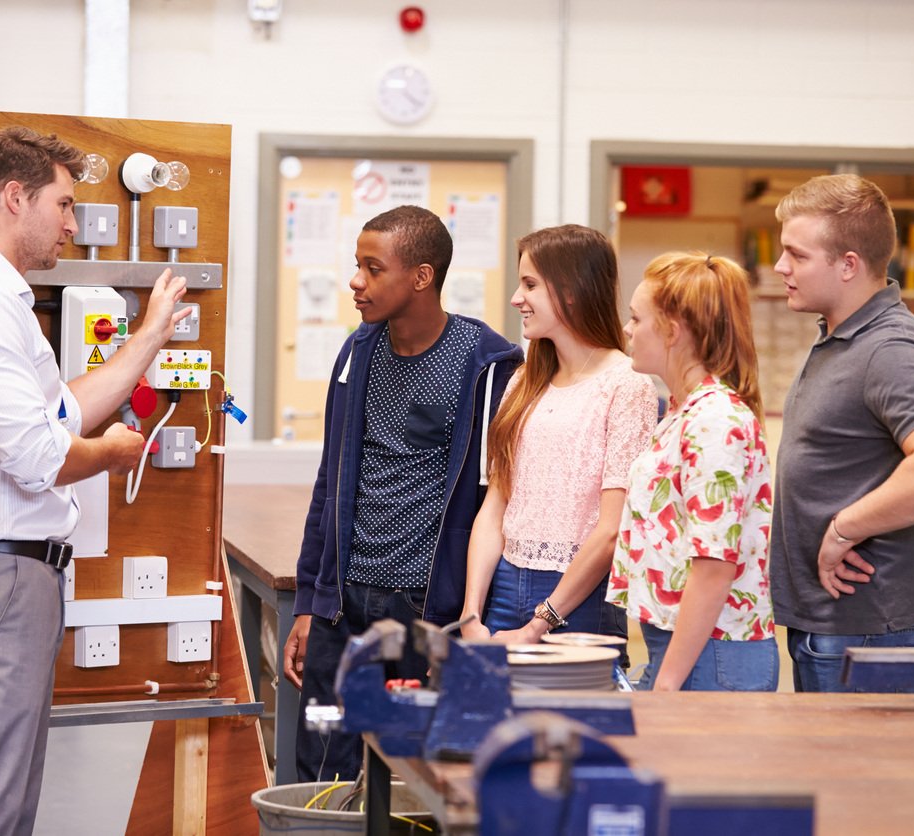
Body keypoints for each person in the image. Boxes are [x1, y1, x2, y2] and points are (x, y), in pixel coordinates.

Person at [0, 126, 190, 835]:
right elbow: (39, 456)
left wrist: (149, 336)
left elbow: (59, 409)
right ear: (13, 197)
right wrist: (113, 452)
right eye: (63, 204)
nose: (74, 223)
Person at [281, 205, 523, 782]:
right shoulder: (357, 353)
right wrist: (311, 602)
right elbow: (330, 482)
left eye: (372, 267)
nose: (356, 282)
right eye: (355, 265)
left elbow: (500, 497)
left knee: (415, 777)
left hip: (422, 610)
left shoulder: (487, 365)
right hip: (342, 603)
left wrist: (469, 613)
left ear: (421, 277)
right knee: (322, 764)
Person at [770, 173, 914, 692]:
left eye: (796, 255)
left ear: (848, 265)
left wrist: (844, 528)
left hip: (876, 627)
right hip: (841, 624)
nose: (780, 267)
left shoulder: (890, 346)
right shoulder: (842, 337)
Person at [458, 225, 655, 650]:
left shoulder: (628, 385)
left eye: (530, 284)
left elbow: (611, 530)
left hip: (582, 597)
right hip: (505, 586)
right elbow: (496, 506)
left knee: (571, 717)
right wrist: (471, 613)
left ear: (570, 291)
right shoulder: (524, 381)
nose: (516, 298)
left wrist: (540, 623)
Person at [608, 252, 778, 691]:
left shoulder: (715, 421)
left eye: (635, 319)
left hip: (713, 652)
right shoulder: (685, 411)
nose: (627, 330)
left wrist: (666, 684)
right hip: (688, 644)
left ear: (672, 331)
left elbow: (713, 566)